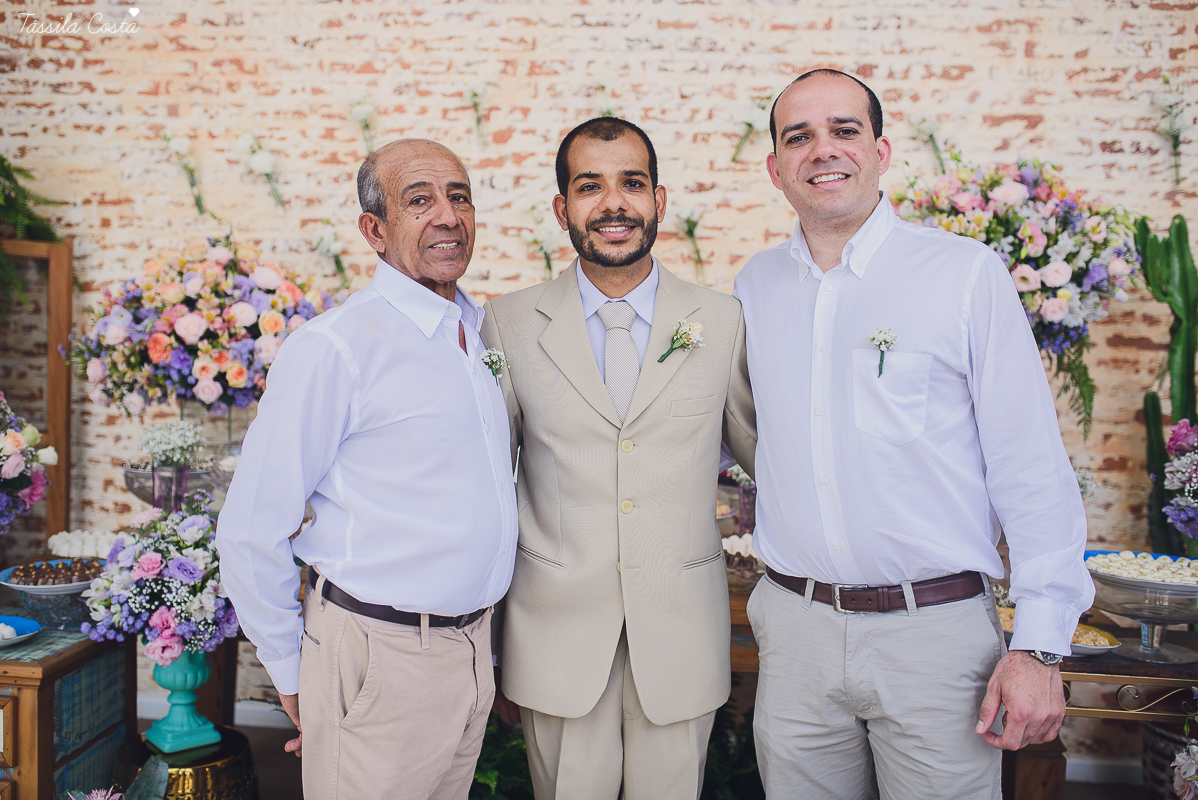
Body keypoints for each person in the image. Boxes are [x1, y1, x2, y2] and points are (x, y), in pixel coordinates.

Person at [733, 69, 1094, 799]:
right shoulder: (754, 285)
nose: (822, 150)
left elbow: (1029, 465)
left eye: (844, 130)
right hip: (796, 630)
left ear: (881, 150)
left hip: (933, 634)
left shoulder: (962, 274)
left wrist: (1040, 646)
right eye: (798, 136)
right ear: (775, 168)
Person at [216, 139, 518, 800]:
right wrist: (292, 670)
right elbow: (249, 527)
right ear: (374, 232)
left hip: (469, 654)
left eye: (458, 196)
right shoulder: (336, 349)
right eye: (420, 200)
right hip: (378, 654)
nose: (447, 215)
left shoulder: (482, 333)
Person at [480, 117, 756, 800]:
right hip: (553, 637)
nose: (613, 205)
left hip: (681, 632)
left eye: (631, 184)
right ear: (562, 208)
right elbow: (482, 488)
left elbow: (768, 460)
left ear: (659, 201)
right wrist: (486, 639)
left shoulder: (721, 322)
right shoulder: (508, 323)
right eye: (589, 186)